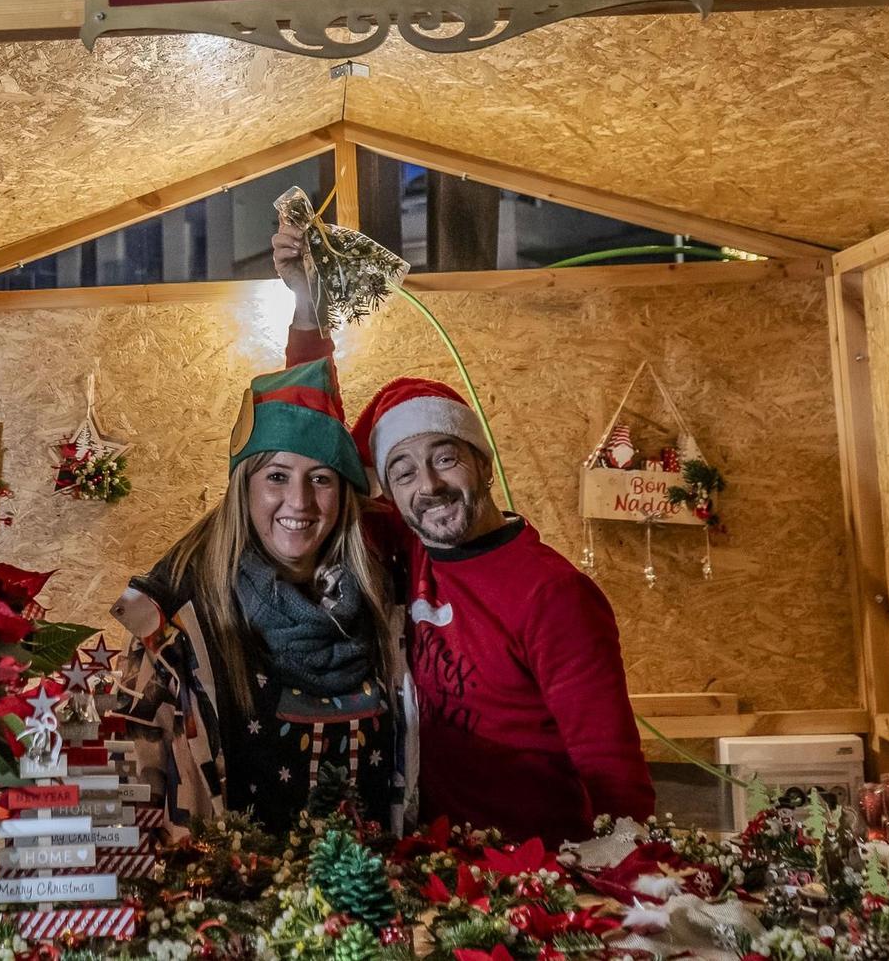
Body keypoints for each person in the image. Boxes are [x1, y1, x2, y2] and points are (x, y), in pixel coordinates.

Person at [273, 220, 654, 843]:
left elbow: (614, 773)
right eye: (402, 471)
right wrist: (307, 313)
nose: (429, 485)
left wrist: (623, 885)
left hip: (538, 876)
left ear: (481, 461)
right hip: (435, 859)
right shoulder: (408, 548)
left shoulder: (552, 595)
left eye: (445, 458)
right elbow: (314, 442)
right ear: (389, 494)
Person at [110, 357, 412, 835]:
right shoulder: (180, 621)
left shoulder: (387, 597)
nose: (300, 502)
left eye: (321, 478)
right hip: (222, 893)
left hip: (374, 890)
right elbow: (135, 782)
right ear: (243, 486)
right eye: (277, 476)